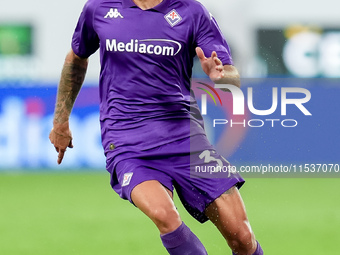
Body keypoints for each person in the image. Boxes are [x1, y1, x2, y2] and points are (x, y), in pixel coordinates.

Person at [49, 0, 263, 254]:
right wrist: (60, 121)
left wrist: (220, 76)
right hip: (127, 141)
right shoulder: (99, 8)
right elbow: (76, 59)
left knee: (242, 237)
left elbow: (230, 75)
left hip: (185, 137)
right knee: (165, 216)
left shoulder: (191, 11)